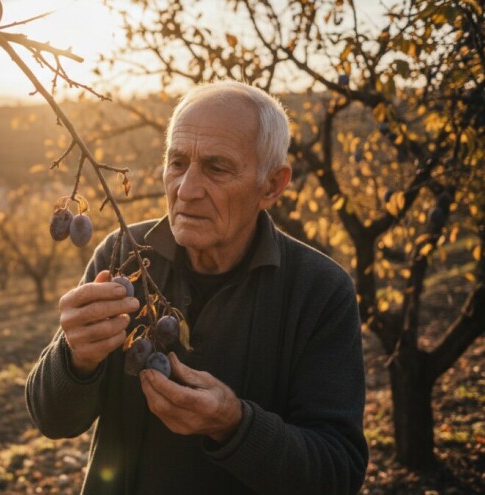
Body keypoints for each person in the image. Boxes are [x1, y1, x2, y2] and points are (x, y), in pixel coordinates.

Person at [25, 80, 368, 494]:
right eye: (177, 163)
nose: (186, 190)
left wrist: (235, 425)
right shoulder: (121, 257)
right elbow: (52, 419)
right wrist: (74, 358)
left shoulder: (320, 292)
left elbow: (337, 473)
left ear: (272, 185)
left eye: (216, 168)